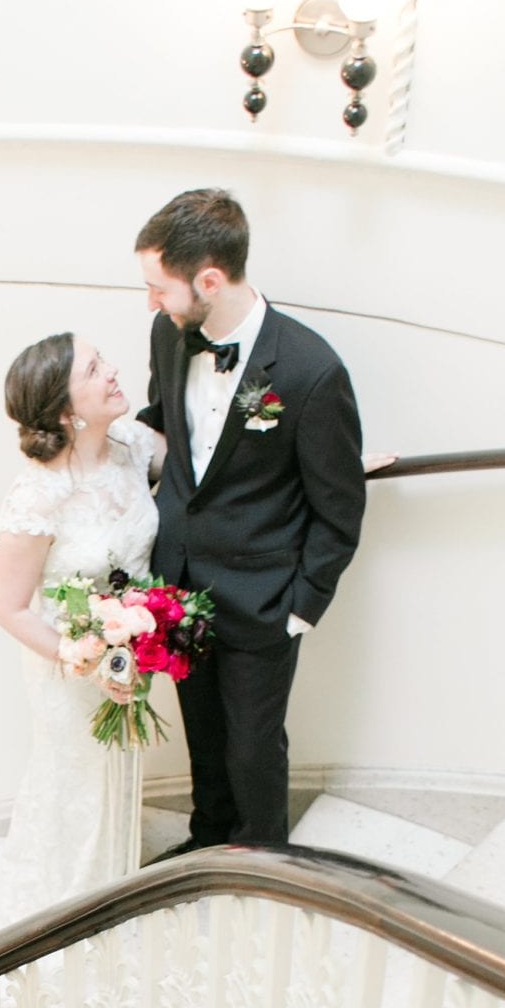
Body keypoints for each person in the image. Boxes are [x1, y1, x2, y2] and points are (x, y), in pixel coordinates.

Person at [134, 188, 366, 850]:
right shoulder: (168, 335)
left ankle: (264, 861)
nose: (151, 302)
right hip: (179, 583)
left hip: (264, 598)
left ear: (209, 279)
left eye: (159, 287)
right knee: (201, 734)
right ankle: (208, 840)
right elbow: (165, 429)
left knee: (252, 748)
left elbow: (340, 505)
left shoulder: (310, 370)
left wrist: (303, 606)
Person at [0, 331, 162, 922]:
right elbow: (10, 608)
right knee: (75, 783)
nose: (113, 371)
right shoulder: (38, 494)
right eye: (94, 369)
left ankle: (114, 888)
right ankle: (67, 916)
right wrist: (78, 654)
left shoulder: (133, 445)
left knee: (116, 773)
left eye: (104, 359)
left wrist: (322, 468)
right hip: (69, 668)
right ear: (66, 411)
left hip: (130, 651)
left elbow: (228, 462)